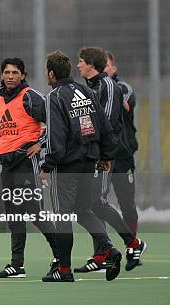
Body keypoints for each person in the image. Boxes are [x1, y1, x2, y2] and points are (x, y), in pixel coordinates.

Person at [39, 50, 121, 282]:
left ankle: (64, 271)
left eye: (47, 71)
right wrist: (105, 155)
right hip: (90, 161)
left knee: (63, 216)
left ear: (52, 73)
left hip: (67, 166)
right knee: (84, 211)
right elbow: (104, 126)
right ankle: (109, 248)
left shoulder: (54, 97)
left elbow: (56, 136)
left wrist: (47, 165)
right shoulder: (86, 90)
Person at [72, 47, 145, 273]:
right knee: (87, 205)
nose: (78, 65)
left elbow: (106, 122)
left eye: (81, 61)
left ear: (92, 64)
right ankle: (106, 251)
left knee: (97, 202)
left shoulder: (108, 86)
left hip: (104, 155)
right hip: (90, 154)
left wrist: (92, 144)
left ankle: (131, 243)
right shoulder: (88, 88)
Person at [0, 58, 59, 278]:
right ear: (1, 75)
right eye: (7, 72)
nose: (10, 76)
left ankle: (61, 258)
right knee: (14, 214)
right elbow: (4, 127)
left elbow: (56, 121)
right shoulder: (1, 100)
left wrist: (40, 144)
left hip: (26, 163)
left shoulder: (30, 97)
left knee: (35, 212)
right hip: (8, 164)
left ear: (23, 75)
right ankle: (16, 265)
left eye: (15, 72)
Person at [103, 51, 140, 236]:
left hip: (123, 156)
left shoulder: (123, 88)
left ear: (114, 68)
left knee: (126, 202)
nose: (104, 68)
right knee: (96, 203)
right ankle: (102, 251)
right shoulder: (90, 91)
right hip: (102, 157)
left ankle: (133, 245)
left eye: (107, 65)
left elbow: (124, 104)